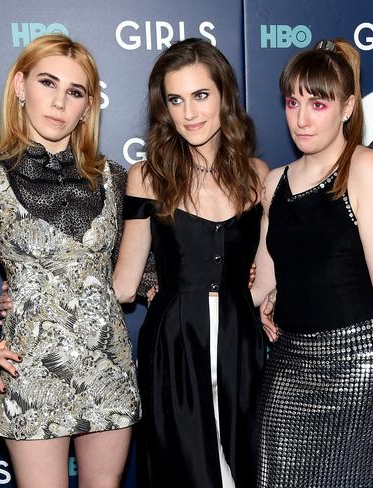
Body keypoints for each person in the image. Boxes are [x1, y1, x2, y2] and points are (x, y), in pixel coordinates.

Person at [0, 34, 142, 487]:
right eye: (48, 83)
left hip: (109, 368)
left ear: (88, 107)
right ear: (21, 86)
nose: (59, 101)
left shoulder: (116, 179)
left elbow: (146, 270)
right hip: (31, 375)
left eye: (75, 91)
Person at [250, 38, 373, 487]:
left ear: (348, 107)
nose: (302, 117)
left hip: (360, 371)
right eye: (293, 102)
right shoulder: (275, 183)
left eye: (318, 103)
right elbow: (260, 283)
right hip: (288, 371)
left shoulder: (364, 168)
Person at [112, 38, 269, 488]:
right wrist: (40, 291)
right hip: (175, 344)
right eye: (176, 100)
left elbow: (269, 268)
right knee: (189, 472)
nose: (190, 112)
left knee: (245, 467)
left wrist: (268, 298)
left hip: (242, 341)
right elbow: (123, 283)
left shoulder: (258, 175)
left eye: (201, 95)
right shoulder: (147, 176)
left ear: (224, 96)